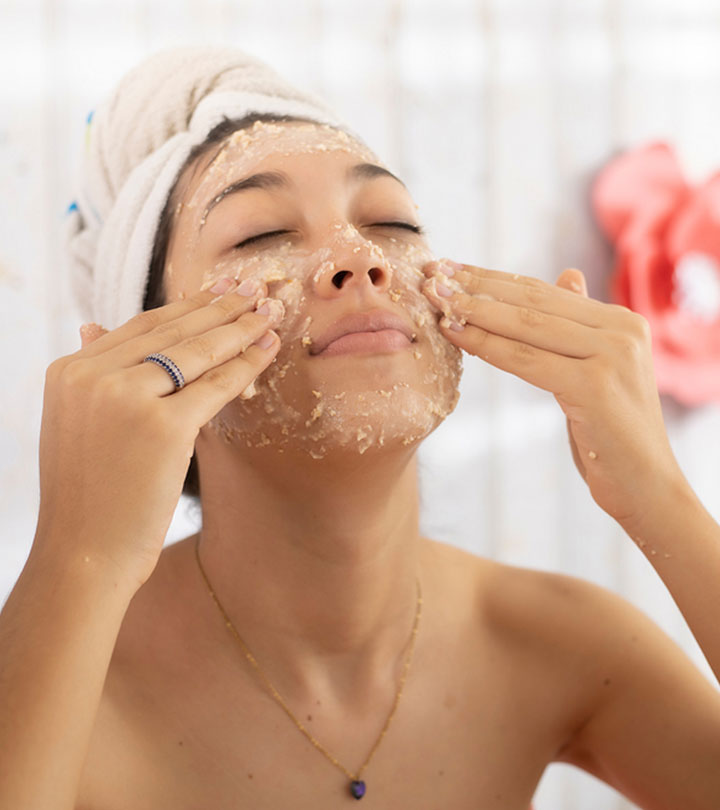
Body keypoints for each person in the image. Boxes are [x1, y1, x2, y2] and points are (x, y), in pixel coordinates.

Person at [1, 46, 719, 810]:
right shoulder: (68, 683)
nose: (359, 255)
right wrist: (79, 554)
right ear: (153, 353)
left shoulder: (561, 646)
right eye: (258, 235)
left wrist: (660, 497)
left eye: (391, 221)